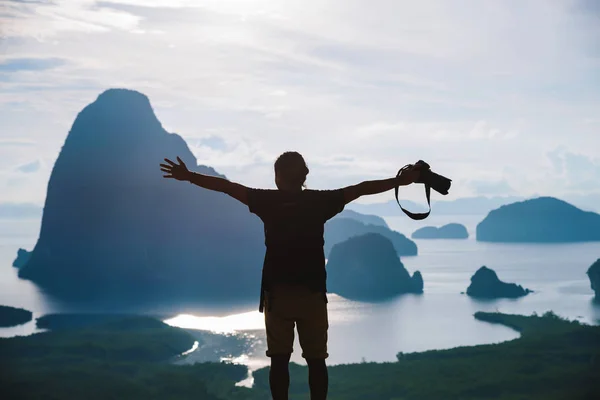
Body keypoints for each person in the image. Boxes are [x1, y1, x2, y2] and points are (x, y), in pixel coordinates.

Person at [160, 152, 420, 400]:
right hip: (313, 295)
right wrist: (400, 181)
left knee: (279, 360)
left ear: (278, 177)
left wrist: (189, 175)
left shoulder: (267, 201)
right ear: (304, 175)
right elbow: (361, 188)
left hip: (278, 295)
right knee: (317, 361)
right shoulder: (320, 202)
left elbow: (228, 187)